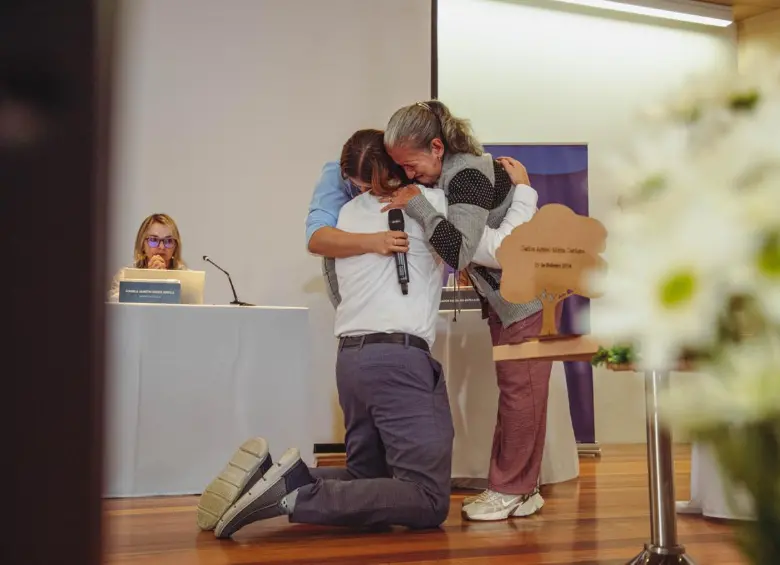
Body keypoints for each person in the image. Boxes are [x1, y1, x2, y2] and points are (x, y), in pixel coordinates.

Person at [197, 130, 538, 538]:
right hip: (399, 362)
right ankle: (290, 495)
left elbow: (328, 268)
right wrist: (522, 193)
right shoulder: (433, 205)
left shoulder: (344, 216)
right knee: (428, 499)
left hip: (351, 361)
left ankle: (267, 477)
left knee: (367, 474)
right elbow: (501, 249)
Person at [381, 100, 553, 522]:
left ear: (437, 147)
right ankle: (520, 488)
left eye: (411, 163)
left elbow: (458, 251)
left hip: (525, 298)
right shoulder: (461, 172)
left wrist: (417, 205)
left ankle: (510, 489)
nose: (408, 175)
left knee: (521, 395)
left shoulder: (467, 176)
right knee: (520, 394)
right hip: (513, 298)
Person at [107, 213, 186, 302]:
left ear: (176, 246)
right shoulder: (126, 275)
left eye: (168, 241)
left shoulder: (186, 277)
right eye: (154, 240)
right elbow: (114, 305)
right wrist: (148, 279)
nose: (161, 247)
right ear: (142, 245)